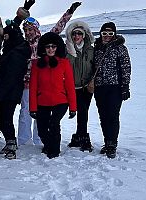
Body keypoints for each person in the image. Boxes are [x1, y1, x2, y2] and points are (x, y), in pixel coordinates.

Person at [18, 1, 81, 147]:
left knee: (41, 115)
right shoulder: (21, 44)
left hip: (44, 83)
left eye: (30, 29)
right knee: (25, 112)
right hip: (27, 82)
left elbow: (59, 26)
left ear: (36, 29)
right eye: (25, 30)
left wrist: (69, 12)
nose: (28, 32)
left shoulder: (44, 41)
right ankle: (23, 140)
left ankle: (39, 140)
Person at [29, 32, 77, 159]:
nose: (51, 49)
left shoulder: (64, 63)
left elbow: (70, 86)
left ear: (58, 48)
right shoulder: (36, 65)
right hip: (42, 101)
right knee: (42, 129)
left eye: (53, 46)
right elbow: (33, 88)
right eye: (48, 46)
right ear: (44, 48)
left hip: (60, 101)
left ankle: (54, 150)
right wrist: (33, 108)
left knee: (54, 124)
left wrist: (73, 107)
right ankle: (48, 144)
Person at [0, 21, 31, 159]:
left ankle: (11, 144)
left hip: (9, 91)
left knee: (6, 117)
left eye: (6, 37)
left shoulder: (16, 53)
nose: (5, 39)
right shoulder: (15, 49)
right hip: (7, 90)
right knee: (3, 118)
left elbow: (9, 74)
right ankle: (9, 142)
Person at [93, 22, 131, 159]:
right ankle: (106, 141)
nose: (107, 36)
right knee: (103, 115)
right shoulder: (97, 47)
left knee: (113, 115)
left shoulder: (120, 48)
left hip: (115, 87)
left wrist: (125, 86)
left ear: (114, 34)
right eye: (104, 33)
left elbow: (126, 67)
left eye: (110, 33)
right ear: (101, 34)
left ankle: (112, 144)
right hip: (99, 87)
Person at [65, 21, 95, 152]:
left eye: (79, 33)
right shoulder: (67, 49)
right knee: (79, 111)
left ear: (84, 35)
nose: (76, 36)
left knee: (83, 112)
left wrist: (92, 81)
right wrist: (71, 51)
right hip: (72, 87)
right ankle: (81, 137)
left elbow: (95, 66)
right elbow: (66, 67)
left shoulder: (90, 50)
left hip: (86, 86)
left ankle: (80, 136)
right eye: (74, 34)